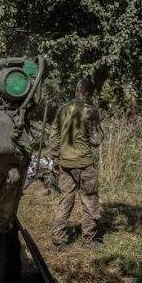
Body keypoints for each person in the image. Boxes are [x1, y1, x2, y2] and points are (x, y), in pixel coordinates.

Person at [50, 78, 104, 249]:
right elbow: (96, 140)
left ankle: (58, 241)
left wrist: (56, 159)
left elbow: (54, 137)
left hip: (65, 163)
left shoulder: (62, 109)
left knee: (65, 200)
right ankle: (88, 241)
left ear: (76, 91)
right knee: (89, 201)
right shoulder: (90, 111)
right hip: (84, 164)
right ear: (89, 93)